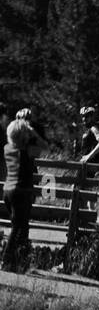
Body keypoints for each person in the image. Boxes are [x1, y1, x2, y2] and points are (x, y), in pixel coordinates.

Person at [2, 109, 49, 273]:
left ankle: (18, 261)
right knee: (18, 227)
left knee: (19, 225)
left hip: (8, 191)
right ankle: (7, 260)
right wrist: (32, 131)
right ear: (24, 134)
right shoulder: (28, 151)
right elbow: (46, 147)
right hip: (22, 191)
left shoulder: (7, 148)